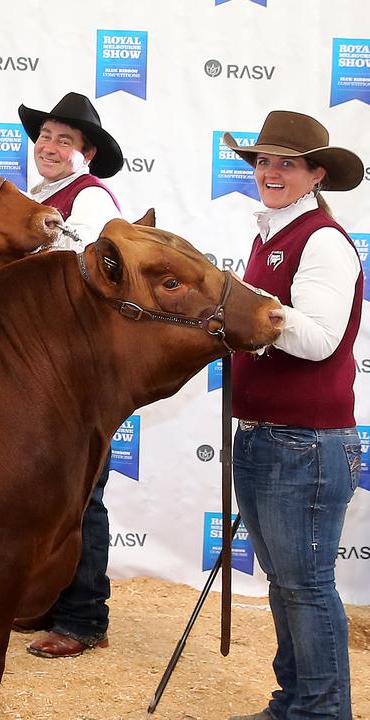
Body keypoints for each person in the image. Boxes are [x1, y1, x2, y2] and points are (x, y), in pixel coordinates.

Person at [226, 110, 363, 720]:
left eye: (287, 162)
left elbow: (317, 340)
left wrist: (243, 307)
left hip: (303, 441)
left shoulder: (323, 240)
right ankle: (297, 701)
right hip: (269, 436)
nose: (270, 172)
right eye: (263, 161)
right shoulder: (269, 238)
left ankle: (321, 709)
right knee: (287, 586)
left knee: (303, 586)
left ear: (315, 174)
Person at [13, 91, 125, 658]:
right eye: (45, 137)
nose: (49, 147)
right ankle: (49, 603)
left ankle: (84, 618)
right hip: (46, 369)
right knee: (49, 492)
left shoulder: (93, 200)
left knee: (84, 496)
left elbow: (72, 264)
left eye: (65, 140)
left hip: (78, 372)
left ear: (87, 153)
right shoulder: (39, 201)